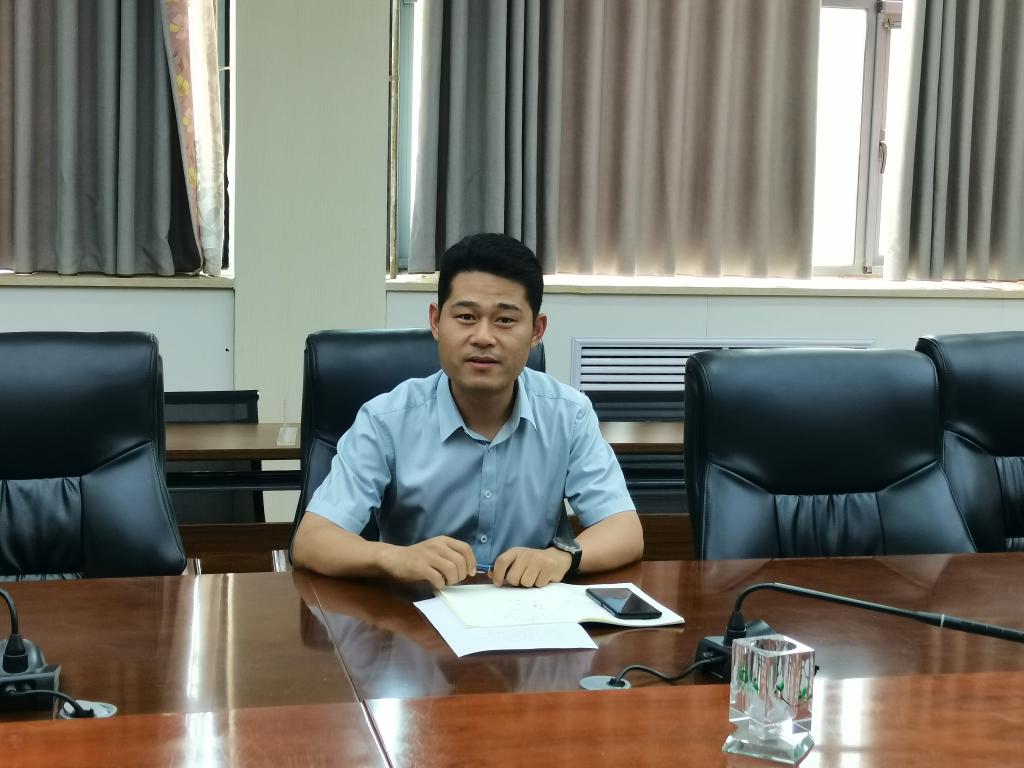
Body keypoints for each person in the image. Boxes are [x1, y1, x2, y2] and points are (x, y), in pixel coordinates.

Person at [291, 233, 643, 588]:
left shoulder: (569, 414)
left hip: (529, 610)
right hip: (415, 612)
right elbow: (312, 540)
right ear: (436, 322)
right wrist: (395, 557)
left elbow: (624, 529)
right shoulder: (386, 420)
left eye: (505, 320)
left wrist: (560, 557)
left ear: (536, 331)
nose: (483, 337)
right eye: (466, 316)